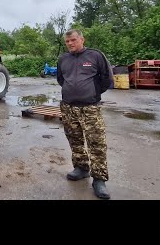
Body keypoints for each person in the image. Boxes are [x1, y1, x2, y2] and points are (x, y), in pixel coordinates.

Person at [57, 29, 114, 199]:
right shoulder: (63, 59)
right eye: (67, 42)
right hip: (68, 107)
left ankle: (99, 179)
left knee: (96, 143)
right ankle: (81, 168)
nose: (70, 44)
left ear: (82, 39)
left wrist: (93, 93)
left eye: (73, 40)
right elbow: (61, 79)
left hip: (90, 108)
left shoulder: (95, 56)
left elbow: (106, 79)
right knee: (75, 140)